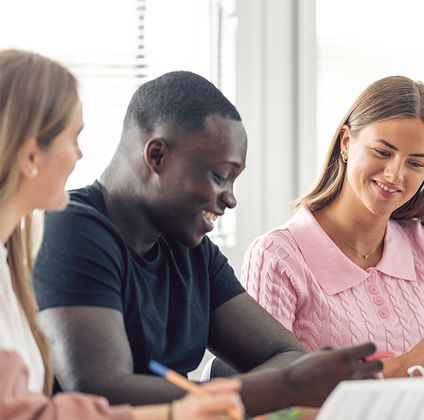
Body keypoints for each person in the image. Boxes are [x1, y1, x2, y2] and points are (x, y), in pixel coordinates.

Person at [32, 70, 382, 416]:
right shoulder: (71, 228)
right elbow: (100, 389)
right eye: (219, 176)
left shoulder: (192, 249)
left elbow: (286, 353)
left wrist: (251, 390)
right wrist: (279, 388)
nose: (229, 199)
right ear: (156, 156)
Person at [0, 49, 243, 419]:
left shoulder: (7, 263)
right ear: (32, 156)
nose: (80, 155)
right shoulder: (69, 228)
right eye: (73, 138)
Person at [240, 76, 424, 385]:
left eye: (416, 164)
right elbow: (269, 392)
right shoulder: (277, 256)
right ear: (346, 142)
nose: (395, 175)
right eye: (382, 152)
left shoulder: (422, 247)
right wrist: (406, 368)